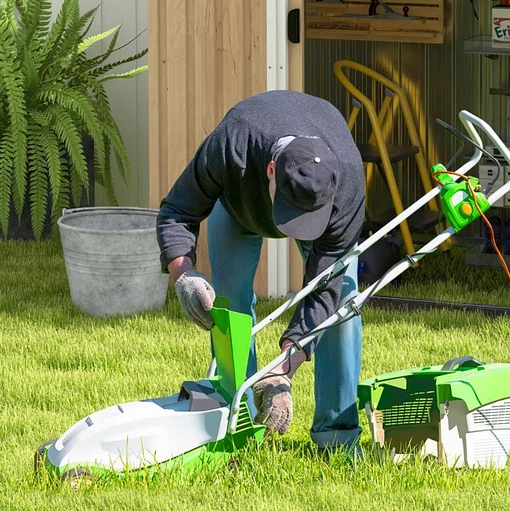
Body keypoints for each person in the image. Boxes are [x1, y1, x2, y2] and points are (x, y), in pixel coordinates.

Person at [156, 90, 366, 452]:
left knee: (343, 305)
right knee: (228, 299)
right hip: (241, 205)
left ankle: (337, 438)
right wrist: (184, 276)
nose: (293, 228)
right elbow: (178, 210)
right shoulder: (234, 141)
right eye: (290, 211)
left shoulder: (347, 182)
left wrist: (284, 368)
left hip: (322, 214)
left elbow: (324, 290)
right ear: (271, 170)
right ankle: (237, 423)